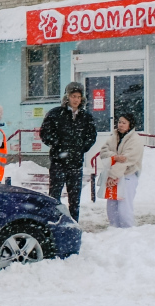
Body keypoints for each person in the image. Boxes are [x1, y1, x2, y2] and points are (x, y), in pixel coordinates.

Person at [40, 82, 97, 222]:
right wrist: (58, 144)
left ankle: (73, 225)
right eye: (73, 96)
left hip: (76, 164)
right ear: (67, 97)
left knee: (75, 199)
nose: (76, 99)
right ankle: (52, 224)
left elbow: (91, 136)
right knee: (54, 197)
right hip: (58, 162)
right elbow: (45, 133)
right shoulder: (55, 114)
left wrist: (81, 148)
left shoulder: (86, 117)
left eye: (78, 96)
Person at [96, 112, 144, 228]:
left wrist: (113, 175)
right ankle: (114, 230)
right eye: (119, 122)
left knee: (124, 207)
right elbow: (103, 152)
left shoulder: (135, 140)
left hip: (128, 175)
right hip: (112, 176)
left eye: (124, 123)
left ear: (130, 125)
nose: (121, 125)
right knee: (112, 207)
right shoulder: (113, 137)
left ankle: (127, 231)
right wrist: (116, 156)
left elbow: (127, 160)